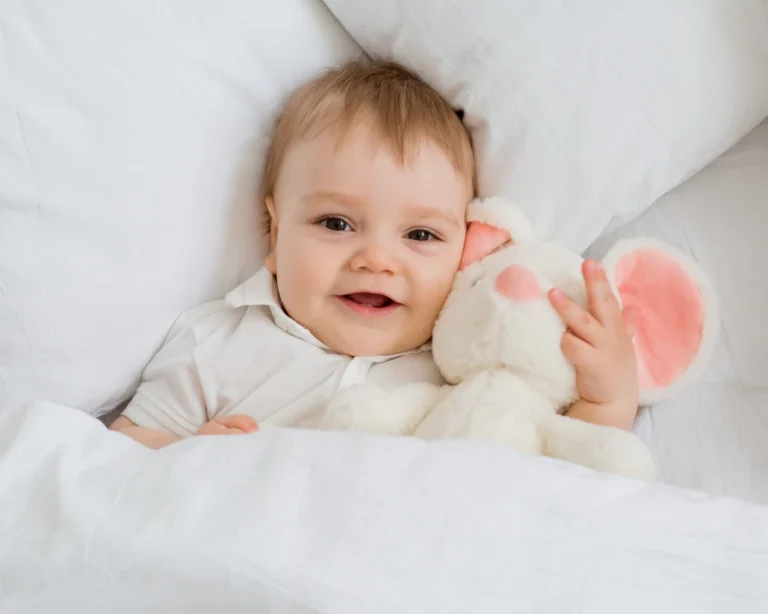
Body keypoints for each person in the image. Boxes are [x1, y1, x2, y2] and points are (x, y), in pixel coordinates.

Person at [110, 60, 639, 449]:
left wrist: (608, 398)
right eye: (336, 224)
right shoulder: (218, 343)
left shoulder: (464, 368)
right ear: (274, 234)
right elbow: (119, 452)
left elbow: (559, 468)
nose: (377, 260)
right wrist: (191, 454)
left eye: (421, 235)